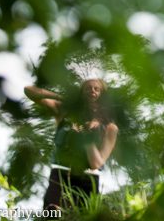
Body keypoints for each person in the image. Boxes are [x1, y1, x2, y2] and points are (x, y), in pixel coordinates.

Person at [25, 79, 119, 210]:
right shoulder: (64, 111)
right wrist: (62, 98)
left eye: (97, 89)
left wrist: (86, 137)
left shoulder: (110, 128)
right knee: (52, 214)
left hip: (88, 181)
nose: (92, 91)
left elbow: (96, 164)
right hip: (60, 175)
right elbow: (29, 91)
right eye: (88, 88)